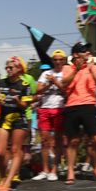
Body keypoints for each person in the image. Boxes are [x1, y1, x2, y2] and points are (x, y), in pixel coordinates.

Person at [61, 42, 96, 184]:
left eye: (89, 50)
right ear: (76, 54)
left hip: (89, 106)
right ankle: (70, 172)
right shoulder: (67, 67)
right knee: (74, 141)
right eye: (85, 50)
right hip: (72, 106)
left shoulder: (93, 67)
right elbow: (64, 83)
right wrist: (76, 70)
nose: (88, 52)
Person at [0, 57, 33, 191]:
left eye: (11, 67)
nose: (8, 70)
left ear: (19, 69)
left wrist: (17, 101)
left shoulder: (24, 85)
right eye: (7, 67)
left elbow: (25, 106)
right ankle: (3, 177)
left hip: (18, 119)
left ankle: (9, 181)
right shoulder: (1, 83)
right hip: (4, 119)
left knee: (16, 150)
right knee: (0, 152)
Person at [33, 50, 67, 181]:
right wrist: (49, 83)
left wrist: (56, 82)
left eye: (60, 59)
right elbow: (38, 90)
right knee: (44, 140)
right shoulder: (46, 73)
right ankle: (45, 169)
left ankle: (54, 169)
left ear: (64, 60)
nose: (58, 62)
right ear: (52, 61)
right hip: (45, 108)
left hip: (59, 108)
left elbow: (66, 90)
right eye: (55, 59)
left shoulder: (66, 73)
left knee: (58, 141)